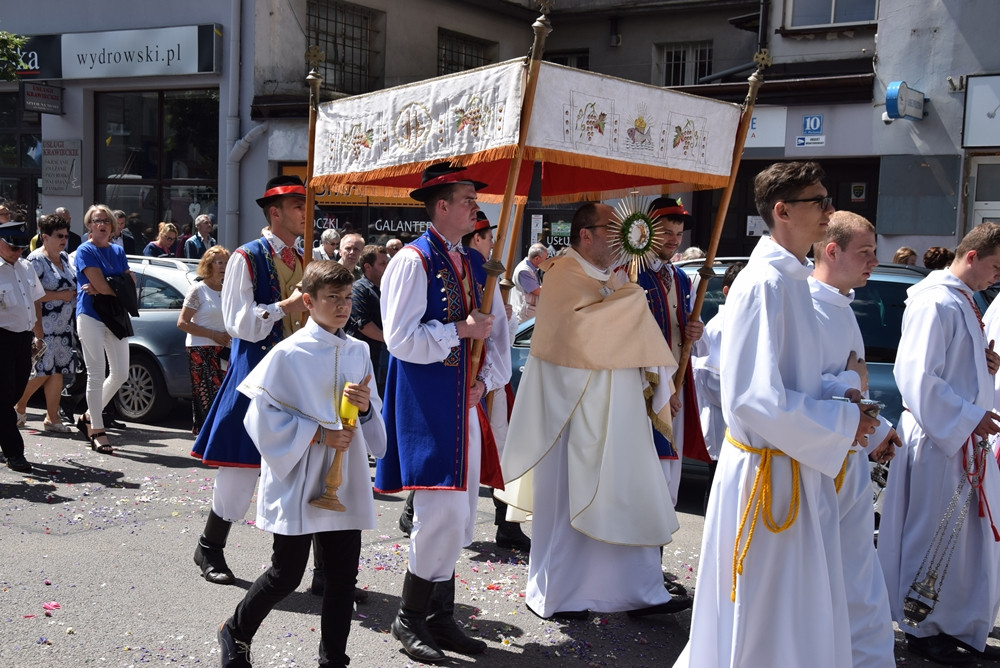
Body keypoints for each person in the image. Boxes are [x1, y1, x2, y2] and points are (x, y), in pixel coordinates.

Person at [674, 162, 877, 668]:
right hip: (767, 476)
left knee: (796, 609)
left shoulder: (792, 279)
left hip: (790, 466)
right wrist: (843, 422)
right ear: (782, 211)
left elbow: (791, 381)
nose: (830, 210)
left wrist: (844, 394)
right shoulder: (763, 283)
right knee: (768, 613)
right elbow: (753, 398)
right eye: (819, 201)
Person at [498, 201, 684, 621]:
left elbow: (621, 329)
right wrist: (629, 301)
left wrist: (624, 298)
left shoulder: (613, 277)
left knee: (626, 489)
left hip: (618, 407)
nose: (619, 240)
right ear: (586, 235)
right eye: (611, 230)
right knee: (571, 499)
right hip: (572, 411)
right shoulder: (563, 273)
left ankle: (636, 590)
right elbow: (579, 333)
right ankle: (562, 594)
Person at [217, 260, 387, 668]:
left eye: (348, 298)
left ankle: (333, 660)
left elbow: (374, 418)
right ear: (308, 302)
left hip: (344, 478)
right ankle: (235, 631)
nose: (343, 306)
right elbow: (259, 418)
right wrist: (318, 435)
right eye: (333, 298)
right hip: (298, 473)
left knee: (342, 577)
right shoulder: (288, 353)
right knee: (286, 573)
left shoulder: (359, 350)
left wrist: (365, 409)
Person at [375, 162, 510, 663]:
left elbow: (497, 332)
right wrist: (459, 330)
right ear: (442, 206)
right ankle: (409, 617)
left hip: (464, 402)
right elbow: (400, 339)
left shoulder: (476, 263)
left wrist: (485, 380)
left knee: (461, 514)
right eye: (468, 199)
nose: (476, 206)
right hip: (427, 403)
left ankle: (440, 616)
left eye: (476, 198)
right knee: (438, 513)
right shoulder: (412, 260)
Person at [880, 223, 1000, 665]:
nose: (997, 276)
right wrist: (969, 416)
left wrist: (983, 365)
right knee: (932, 531)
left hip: (961, 437)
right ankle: (923, 627)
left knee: (964, 539)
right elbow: (916, 376)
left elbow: (949, 365)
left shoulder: (962, 299)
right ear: (971, 256)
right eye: (995, 266)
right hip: (938, 439)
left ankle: (957, 625)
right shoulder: (935, 301)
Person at [189, 175, 308, 585]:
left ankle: (304, 567)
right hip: (256, 373)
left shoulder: (306, 256)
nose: (305, 213)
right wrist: (284, 306)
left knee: (303, 469)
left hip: (299, 377)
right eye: (298, 206)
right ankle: (209, 546)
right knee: (241, 466)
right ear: (275, 213)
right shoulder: (246, 256)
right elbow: (238, 323)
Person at [810, 211, 899, 668]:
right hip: (819, 463)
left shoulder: (843, 305)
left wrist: (878, 429)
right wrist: (853, 382)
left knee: (859, 573)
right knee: (828, 575)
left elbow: (855, 385)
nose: (873, 262)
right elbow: (802, 388)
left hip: (850, 458)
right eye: (865, 252)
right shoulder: (806, 306)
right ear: (832, 250)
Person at [637, 197, 708, 506]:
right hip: (643, 386)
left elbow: (688, 328)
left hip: (677, 384)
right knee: (644, 467)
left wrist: (696, 330)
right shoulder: (630, 274)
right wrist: (662, 388)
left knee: (670, 469)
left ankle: (662, 526)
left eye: (678, 234)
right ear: (647, 231)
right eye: (666, 232)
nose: (674, 240)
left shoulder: (681, 277)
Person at [73, 205, 136, 454]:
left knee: (120, 373)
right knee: (96, 373)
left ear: (112, 226)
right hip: (90, 315)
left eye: (105, 221)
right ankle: (97, 430)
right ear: (89, 225)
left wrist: (108, 287)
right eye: (96, 221)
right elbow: (104, 283)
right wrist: (115, 285)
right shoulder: (85, 250)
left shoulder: (118, 250)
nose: (101, 225)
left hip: (115, 316)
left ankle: (89, 416)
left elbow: (129, 283)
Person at [14, 214, 77, 433]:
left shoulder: (65, 258)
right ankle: (19, 406)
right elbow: (31, 294)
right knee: (42, 371)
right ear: (45, 237)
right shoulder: (35, 261)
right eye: (59, 236)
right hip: (44, 325)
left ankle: (52, 418)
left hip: (64, 327)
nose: (64, 240)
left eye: (66, 236)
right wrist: (60, 296)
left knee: (57, 370)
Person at [692, 262, 743, 480]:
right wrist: (744, 401)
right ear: (727, 291)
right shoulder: (719, 327)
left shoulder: (745, 323)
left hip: (739, 425)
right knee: (718, 485)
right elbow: (708, 379)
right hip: (723, 424)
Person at [0, 221, 45, 473]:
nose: (18, 252)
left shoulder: (26, 267)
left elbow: (35, 301)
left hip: (23, 338)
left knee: (15, 392)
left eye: (21, 248)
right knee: (3, 397)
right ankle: (14, 453)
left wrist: (38, 335)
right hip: (2, 339)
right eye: (12, 247)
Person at [177, 245, 232, 435]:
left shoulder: (228, 290)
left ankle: (216, 435)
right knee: (207, 395)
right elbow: (182, 323)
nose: (223, 266)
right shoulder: (198, 290)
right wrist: (213, 334)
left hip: (224, 349)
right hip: (201, 349)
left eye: (226, 263)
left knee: (223, 394)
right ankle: (205, 435)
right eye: (219, 262)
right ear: (209, 264)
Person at [346, 244, 388, 395]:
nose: (387, 267)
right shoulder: (358, 289)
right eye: (382, 263)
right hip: (365, 358)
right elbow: (363, 324)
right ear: (368, 267)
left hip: (383, 357)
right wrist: (391, 340)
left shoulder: (387, 289)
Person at [509, 243, 547, 324]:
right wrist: (553, 284)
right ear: (536, 258)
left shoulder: (530, 269)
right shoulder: (524, 271)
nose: (545, 262)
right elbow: (537, 291)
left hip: (528, 314)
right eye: (545, 259)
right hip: (524, 317)